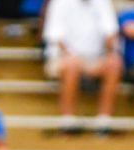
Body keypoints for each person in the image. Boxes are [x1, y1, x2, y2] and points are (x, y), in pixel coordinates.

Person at [42, 0, 123, 130]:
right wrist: (78, 61)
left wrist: (109, 54)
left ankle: (104, 121)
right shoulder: (58, 3)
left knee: (114, 63)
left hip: (95, 58)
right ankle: (68, 120)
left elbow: (111, 33)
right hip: (62, 58)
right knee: (71, 64)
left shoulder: (104, 2)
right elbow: (56, 37)